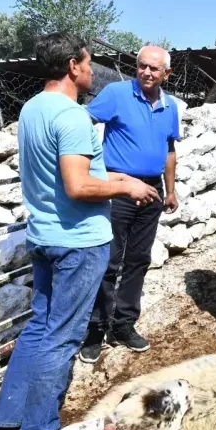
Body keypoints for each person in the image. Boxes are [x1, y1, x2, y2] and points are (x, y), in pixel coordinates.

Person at [0, 33, 159, 430]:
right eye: (87, 62)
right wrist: (123, 187)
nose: (90, 69)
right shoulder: (73, 116)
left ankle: (4, 427)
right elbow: (78, 185)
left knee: (40, 327)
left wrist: (120, 180)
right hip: (77, 242)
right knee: (62, 337)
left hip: (44, 235)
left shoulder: (31, 109)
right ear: (72, 67)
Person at [79, 45, 181, 363]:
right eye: (142, 66)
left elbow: (168, 150)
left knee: (138, 260)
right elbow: (83, 123)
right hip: (118, 188)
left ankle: (123, 325)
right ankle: (95, 330)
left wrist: (170, 190)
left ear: (167, 73)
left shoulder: (170, 106)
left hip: (151, 191)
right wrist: (99, 171)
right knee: (108, 260)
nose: (146, 73)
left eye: (154, 68)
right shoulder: (117, 93)